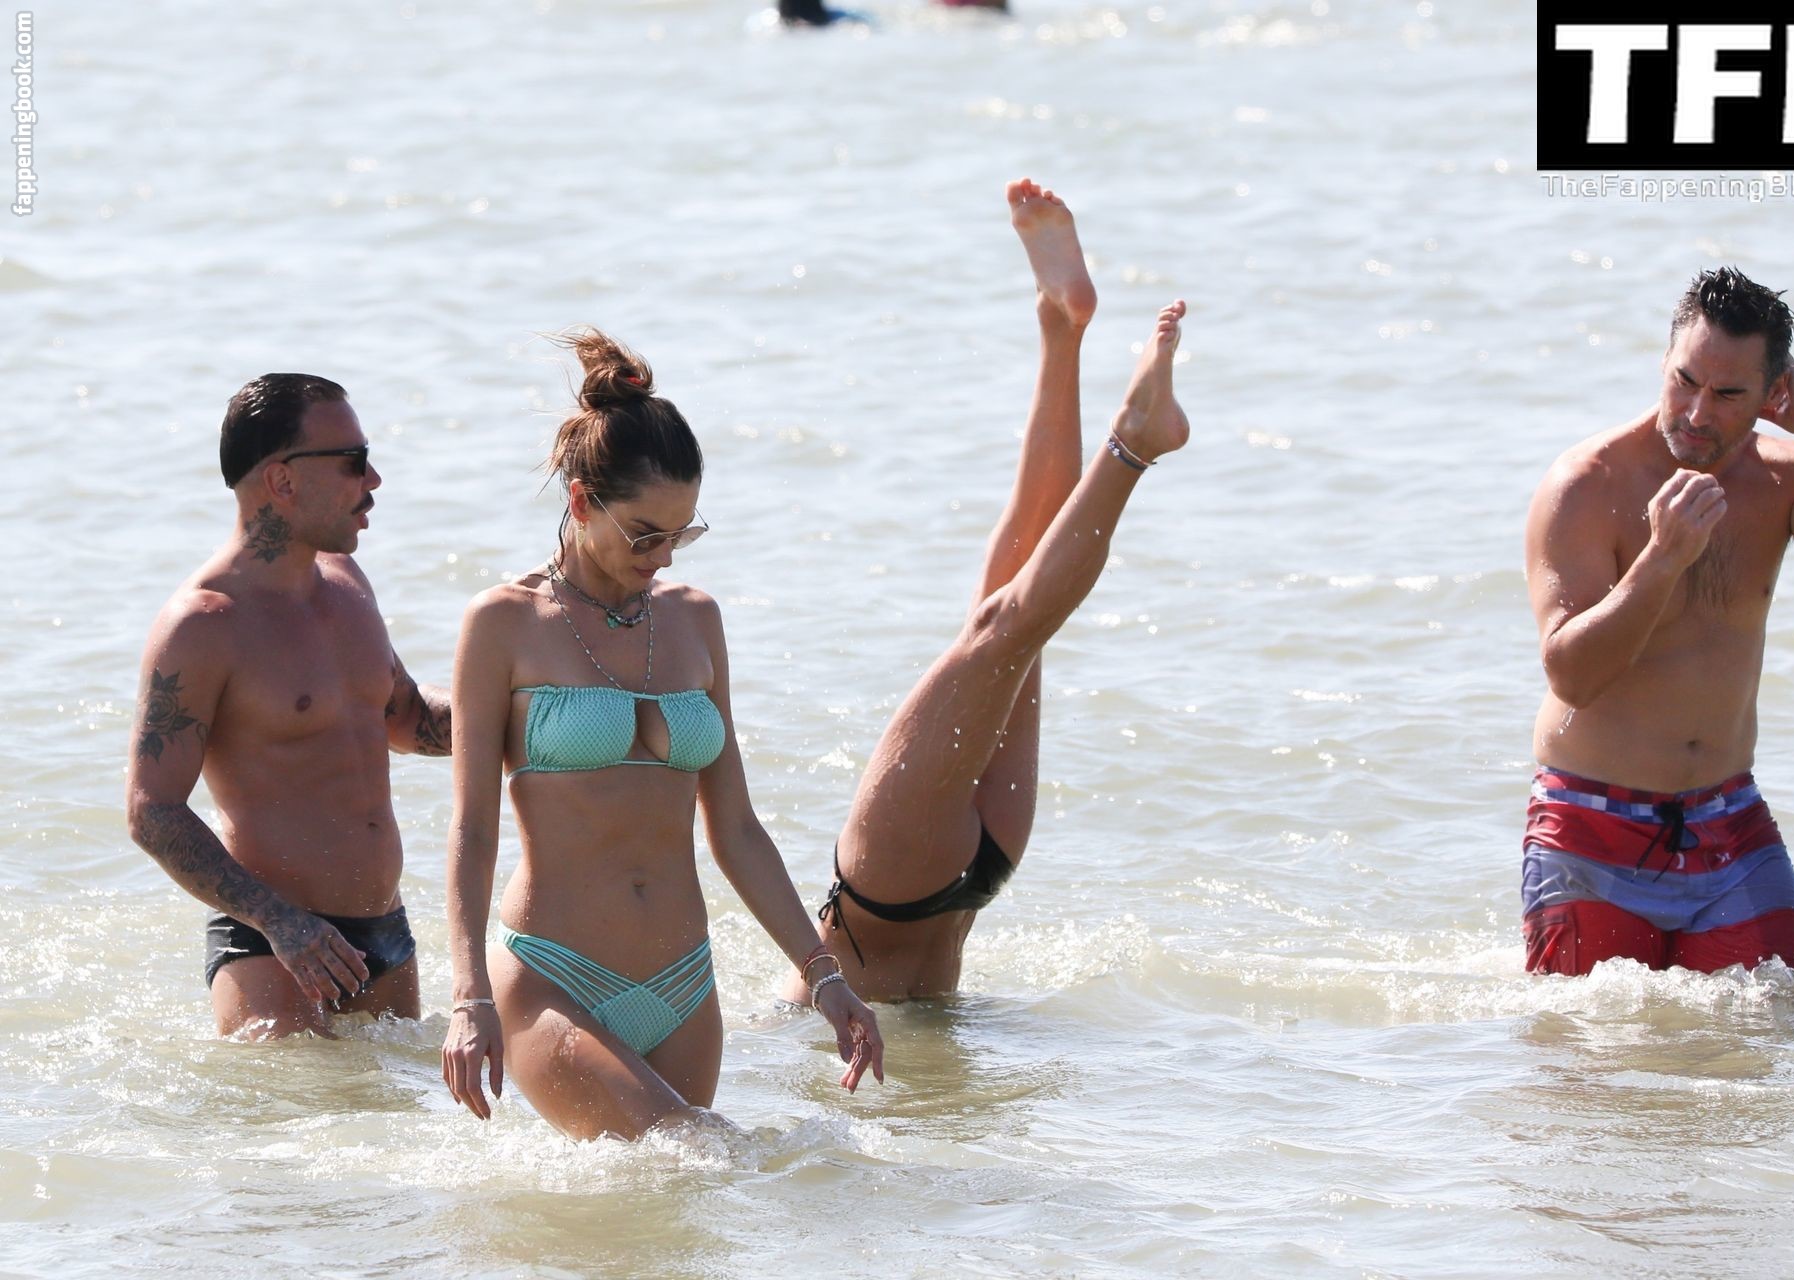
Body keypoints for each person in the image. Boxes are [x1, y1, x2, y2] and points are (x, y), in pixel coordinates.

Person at [439, 331, 884, 1140]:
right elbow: (472, 828)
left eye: (681, 535)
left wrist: (824, 978)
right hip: (553, 977)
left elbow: (736, 828)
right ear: (582, 502)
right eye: (646, 534)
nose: (665, 558)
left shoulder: (695, 620)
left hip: (684, 985)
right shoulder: (503, 623)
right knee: (706, 1153)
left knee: (676, 1209)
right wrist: (468, 996)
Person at [784, 178, 1191, 1003]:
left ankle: (1061, 328)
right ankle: (1131, 445)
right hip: (901, 883)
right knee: (1003, 625)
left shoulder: (808, 1043)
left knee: (1008, 615)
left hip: (972, 877)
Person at [1521, 267, 1794, 976]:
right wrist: (1662, 559)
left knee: (1790, 1018)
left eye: (1729, 394)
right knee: (1595, 1043)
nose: (1697, 413)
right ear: (1664, 362)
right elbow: (1572, 677)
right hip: (1590, 825)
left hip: (1729, 822)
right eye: (1685, 381)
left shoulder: (1786, 479)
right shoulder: (1587, 483)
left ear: (1773, 393)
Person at [126, 374, 451, 1038]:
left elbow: (407, 719)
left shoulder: (347, 583)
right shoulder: (204, 623)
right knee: (292, 1106)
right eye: (353, 461)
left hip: (385, 933)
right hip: (270, 945)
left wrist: (528, 706)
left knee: (396, 1105)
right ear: (281, 480)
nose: (374, 480)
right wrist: (279, 921)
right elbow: (151, 810)